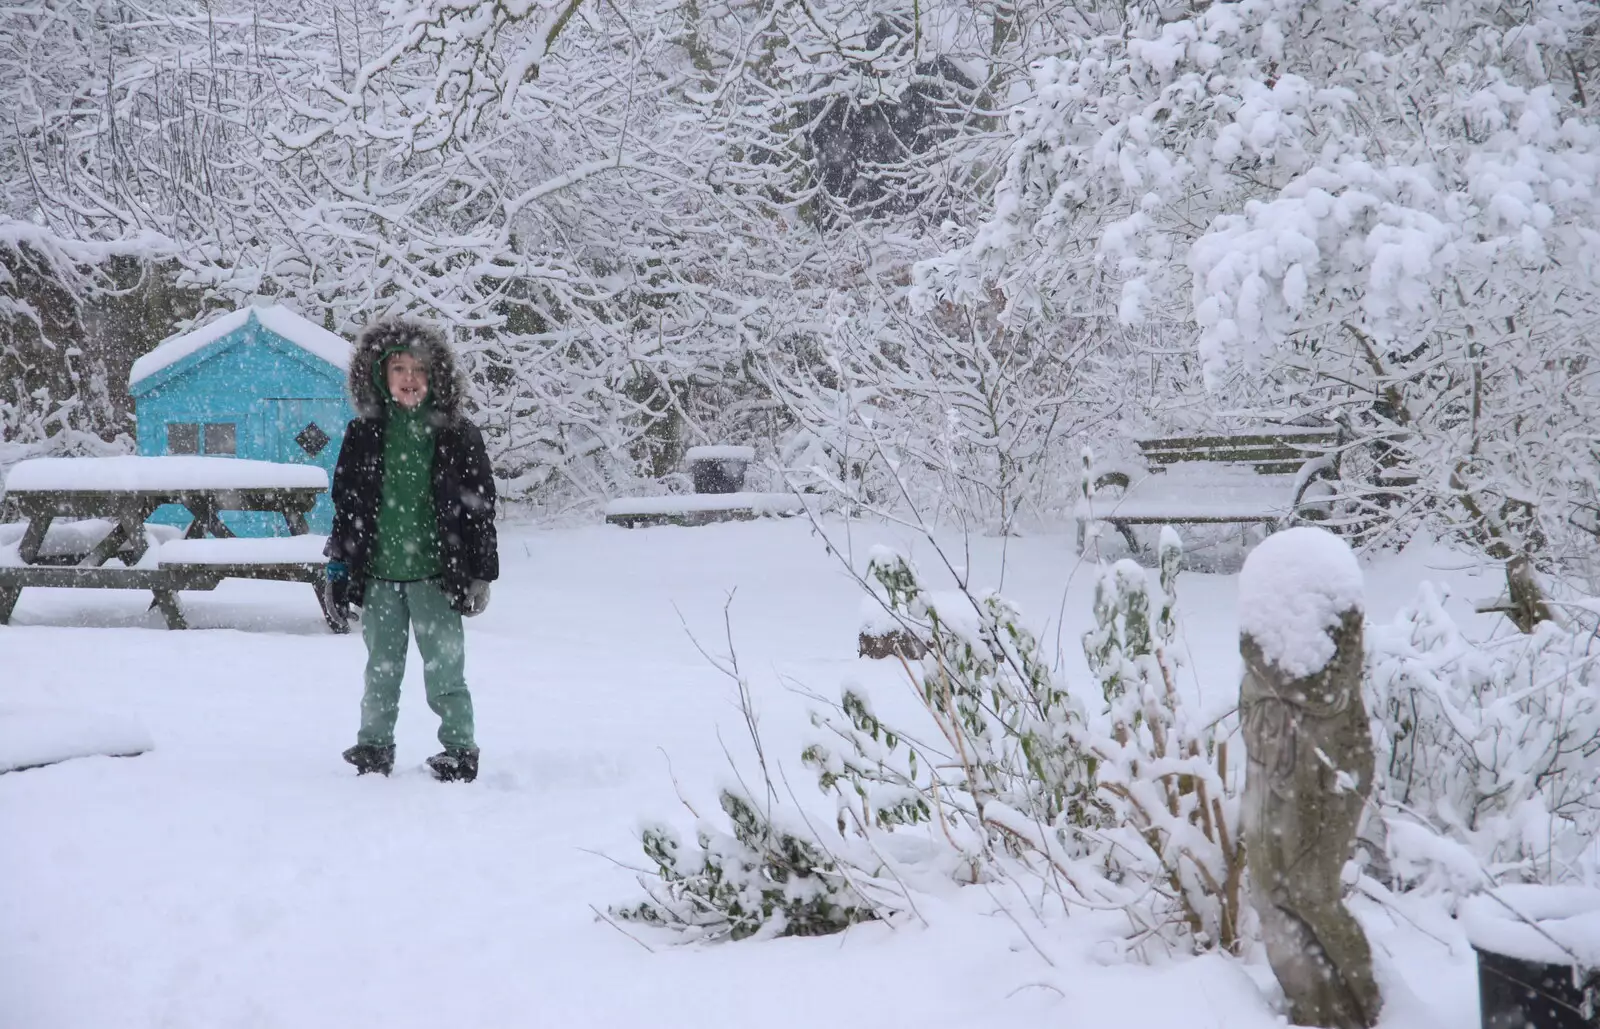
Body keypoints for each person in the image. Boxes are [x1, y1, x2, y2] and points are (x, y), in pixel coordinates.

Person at [323, 317, 498, 783]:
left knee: (445, 673)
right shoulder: (363, 435)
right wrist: (338, 567)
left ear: (436, 375)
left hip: (437, 577)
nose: (408, 378)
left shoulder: (458, 434)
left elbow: (480, 510)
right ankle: (374, 748)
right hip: (379, 576)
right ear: (379, 376)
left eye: (418, 369)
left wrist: (482, 573)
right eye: (397, 368)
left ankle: (459, 750)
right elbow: (346, 504)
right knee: (380, 671)